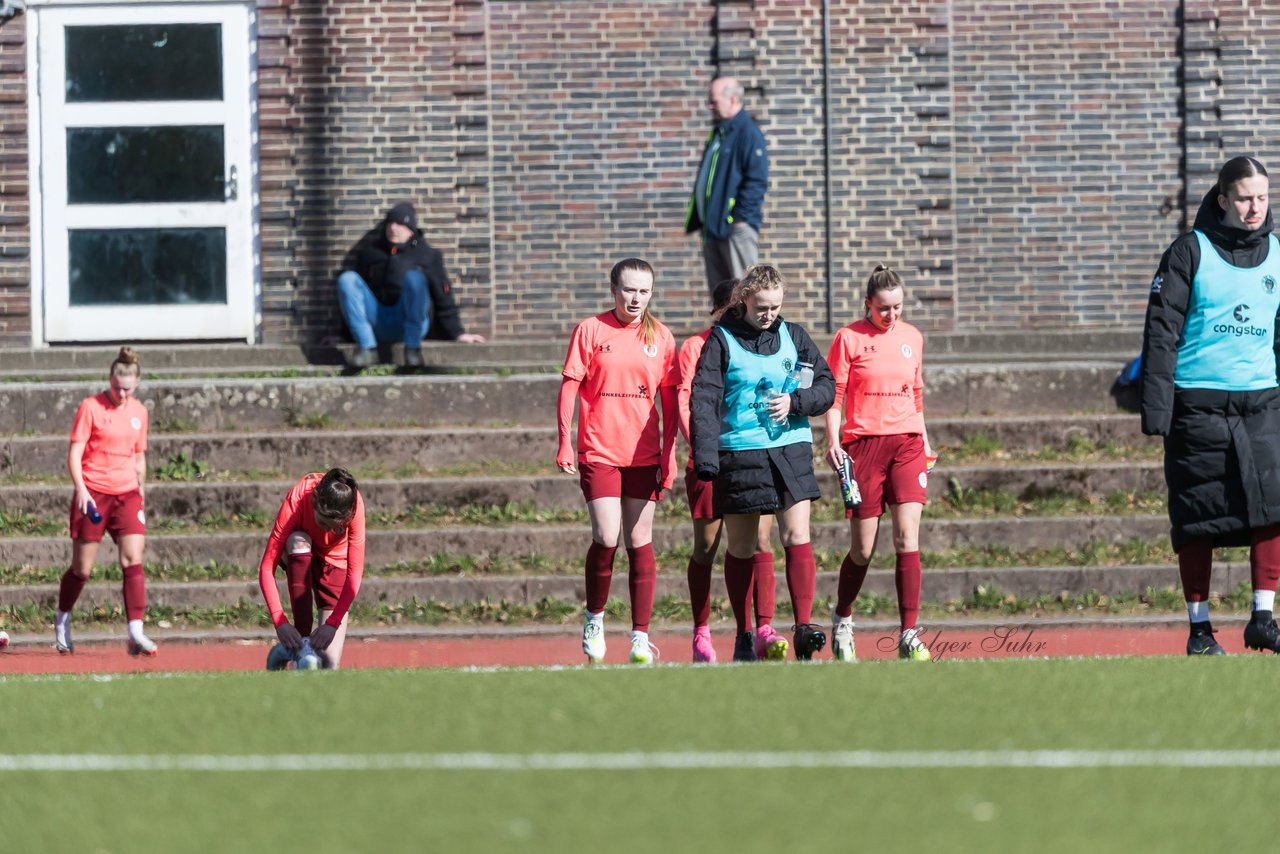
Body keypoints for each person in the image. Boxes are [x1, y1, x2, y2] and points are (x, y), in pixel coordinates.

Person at [1141, 155, 1280, 657]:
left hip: (1263, 402)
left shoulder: (1279, 255)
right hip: (1197, 406)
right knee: (1198, 515)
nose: (1254, 208)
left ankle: (1263, 617)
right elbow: (1162, 333)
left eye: (1262, 198)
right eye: (1244, 198)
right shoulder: (1187, 252)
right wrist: (1158, 410)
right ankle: (1200, 631)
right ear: (1222, 200)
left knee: (1273, 507)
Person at [690, 264, 835, 661]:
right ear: (744, 301)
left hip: (790, 446)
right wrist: (706, 457)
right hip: (740, 451)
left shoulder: (795, 336)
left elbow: (825, 385)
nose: (768, 315)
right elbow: (703, 400)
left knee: (796, 535)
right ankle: (743, 633)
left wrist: (796, 402)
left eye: (775, 307)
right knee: (742, 547)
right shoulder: (721, 341)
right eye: (761, 307)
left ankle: (804, 627)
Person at [556, 258, 679, 665]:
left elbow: (670, 402)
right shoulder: (590, 329)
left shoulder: (661, 336)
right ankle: (594, 618)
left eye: (644, 291)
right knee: (607, 537)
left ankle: (640, 636)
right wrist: (564, 442)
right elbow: (570, 387)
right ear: (614, 289)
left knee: (640, 542)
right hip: (600, 450)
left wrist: (670, 454)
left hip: (643, 455)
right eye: (629, 290)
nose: (636, 298)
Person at [824, 265, 935, 663]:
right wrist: (833, 440)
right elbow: (835, 396)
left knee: (908, 538)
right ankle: (843, 617)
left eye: (897, 308)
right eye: (883, 308)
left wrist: (925, 442)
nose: (891, 316)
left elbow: (916, 395)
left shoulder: (912, 338)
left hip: (907, 444)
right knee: (862, 549)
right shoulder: (849, 338)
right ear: (868, 304)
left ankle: (908, 633)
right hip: (864, 448)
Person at [677, 279, 779, 663]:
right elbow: (687, 399)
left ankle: (756, 631)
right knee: (706, 546)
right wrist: (704, 449)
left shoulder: (761, 341)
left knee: (760, 542)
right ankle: (701, 631)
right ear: (718, 311)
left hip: (750, 457)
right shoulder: (696, 346)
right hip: (709, 461)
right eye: (732, 309)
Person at [57, 346, 156, 656]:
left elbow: (139, 454)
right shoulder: (91, 407)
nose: (122, 393)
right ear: (110, 379)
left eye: (128, 388)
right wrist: (82, 490)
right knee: (82, 568)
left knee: (132, 559)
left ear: (137, 383)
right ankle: (62, 619)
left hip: (126, 493)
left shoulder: (139, 412)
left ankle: (135, 632)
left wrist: (140, 488)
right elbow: (74, 453)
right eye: (117, 386)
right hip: (94, 492)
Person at [337, 201, 486, 369]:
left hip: (410, 322)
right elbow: (354, 299)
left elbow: (443, 294)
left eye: (400, 224)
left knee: (414, 279)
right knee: (347, 279)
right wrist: (342, 335)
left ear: (411, 229)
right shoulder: (370, 254)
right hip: (378, 321)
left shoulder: (428, 255)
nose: (393, 228)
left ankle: (412, 350)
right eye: (390, 223)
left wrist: (458, 333)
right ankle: (367, 349)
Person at [259, 468, 366, 670]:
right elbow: (266, 568)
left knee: (328, 664)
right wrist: (280, 622)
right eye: (324, 523)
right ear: (315, 502)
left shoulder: (354, 505)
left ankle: (289, 651)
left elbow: (355, 575)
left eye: (337, 528)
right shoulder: (299, 497)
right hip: (300, 550)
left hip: (335, 561)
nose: (330, 531)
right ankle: (301, 641)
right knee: (298, 540)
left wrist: (332, 624)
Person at [685, 77, 769, 293]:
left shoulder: (747, 133)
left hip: (734, 229)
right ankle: (723, 328)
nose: (709, 106)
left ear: (732, 99)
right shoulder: (720, 133)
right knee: (722, 297)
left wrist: (738, 219)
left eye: (713, 101)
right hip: (713, 228)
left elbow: (756, 180)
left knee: (746, 293)